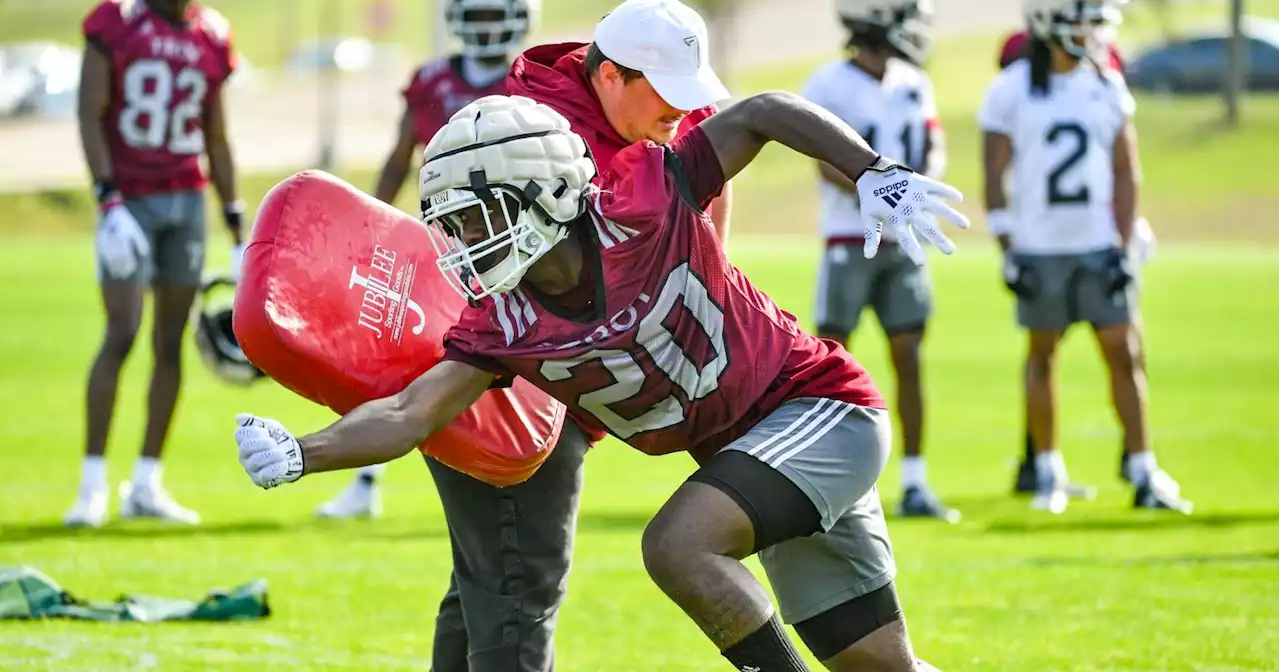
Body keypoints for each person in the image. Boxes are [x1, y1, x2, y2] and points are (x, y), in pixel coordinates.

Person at [232, 92, 967, 670]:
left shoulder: (646, 198)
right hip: (757, 461)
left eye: (481, 214)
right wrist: (306, 452)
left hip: (819, 408)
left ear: (543, 193)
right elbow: (407, 414)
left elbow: (763, 112)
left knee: (678, 546)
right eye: (455, 222)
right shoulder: (503, 323)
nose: (465, 240)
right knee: (882, 666)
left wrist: (870, 168)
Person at [318, 0, 535, 520]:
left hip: (508, 249)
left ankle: (509, 468)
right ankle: (366, 476)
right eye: (476, 16)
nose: (485, 28)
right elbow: (400, 155)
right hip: (438, 244)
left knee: (497, 362)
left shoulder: (532, 79)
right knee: (397, 354)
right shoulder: (431, 81)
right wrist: (369, 220)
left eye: (493, 16)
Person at [979, 0, 1191, 514]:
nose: (1089, 29)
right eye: (1078, 18)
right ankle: (1048, 472)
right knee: (1042, 356)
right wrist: (1007, 246)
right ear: (1049, 22)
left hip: (1097, 242)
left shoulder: (1106, 84)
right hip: (1040, 244)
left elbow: (1127, 170)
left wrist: (1123, 241)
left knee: (1124, 352)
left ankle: (1144, 469)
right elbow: (994, 175)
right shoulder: (1011, 89)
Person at [65, 0, 243, 528]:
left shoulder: (211, 32)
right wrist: (107, 200)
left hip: (186, 199)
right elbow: (88, 112)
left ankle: (147, 481)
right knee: (121, 331)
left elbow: (216, 135)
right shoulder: (116, 21)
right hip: (129, 198)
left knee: (169, 342)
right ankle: (91, 484)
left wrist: (235, 224)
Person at [801, 0, 957, 522]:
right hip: (851, 234)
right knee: (830, 359)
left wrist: (912, 191)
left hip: (902, 241)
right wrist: (882, 192)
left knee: (910, 356)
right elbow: (824, 162)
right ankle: (809, 471)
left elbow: (932, 146)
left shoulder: (914, 80)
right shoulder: (828, 83)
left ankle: (915, 480)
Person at [504, 0, 733, 246]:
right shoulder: (536, 137)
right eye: (669, 90)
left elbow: (713, 250)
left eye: (689, 88)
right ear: (611, 75)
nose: (685, 108)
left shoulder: (698, 118)